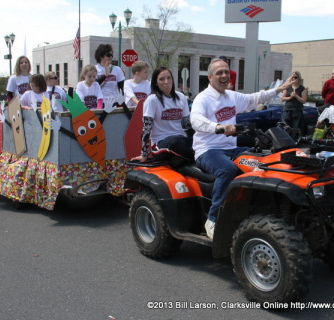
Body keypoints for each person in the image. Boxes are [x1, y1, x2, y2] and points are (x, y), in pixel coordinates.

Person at [190, 58, 293, 239]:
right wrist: (218, 127)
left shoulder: (231, 96)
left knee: (260, 163)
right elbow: (196, 120)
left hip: (231, 148)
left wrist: (279, 89)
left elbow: (255, 98)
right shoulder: (203, 98)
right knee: (227, 169)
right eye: (219, 72)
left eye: (226, 72)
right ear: (210, 77)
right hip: (208, 149)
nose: (224, 75)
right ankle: (213, 219)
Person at [131, 67, 193, 168]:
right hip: (160, 143)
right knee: (175, 142)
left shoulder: (181, 97)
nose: (166, 82)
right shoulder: (152, 100)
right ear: (155, 82)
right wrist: (144, 154)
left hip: (181, 139)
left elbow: (187, 125)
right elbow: (146, 129)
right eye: (161, 79)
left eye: (169, 78)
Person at [281, 71, 307, 139]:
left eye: (295, 77)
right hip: (287, 110)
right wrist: (290, 97)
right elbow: (283, 98)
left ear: (298, 78)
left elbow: (304, 100)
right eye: (292, 77)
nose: (294, 79)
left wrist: (296, 96)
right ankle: (285, 141)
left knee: (295, 128)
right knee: (285, 127)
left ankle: (293, 141)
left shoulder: (302, 88)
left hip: (297, 111)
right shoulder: (288, 87)